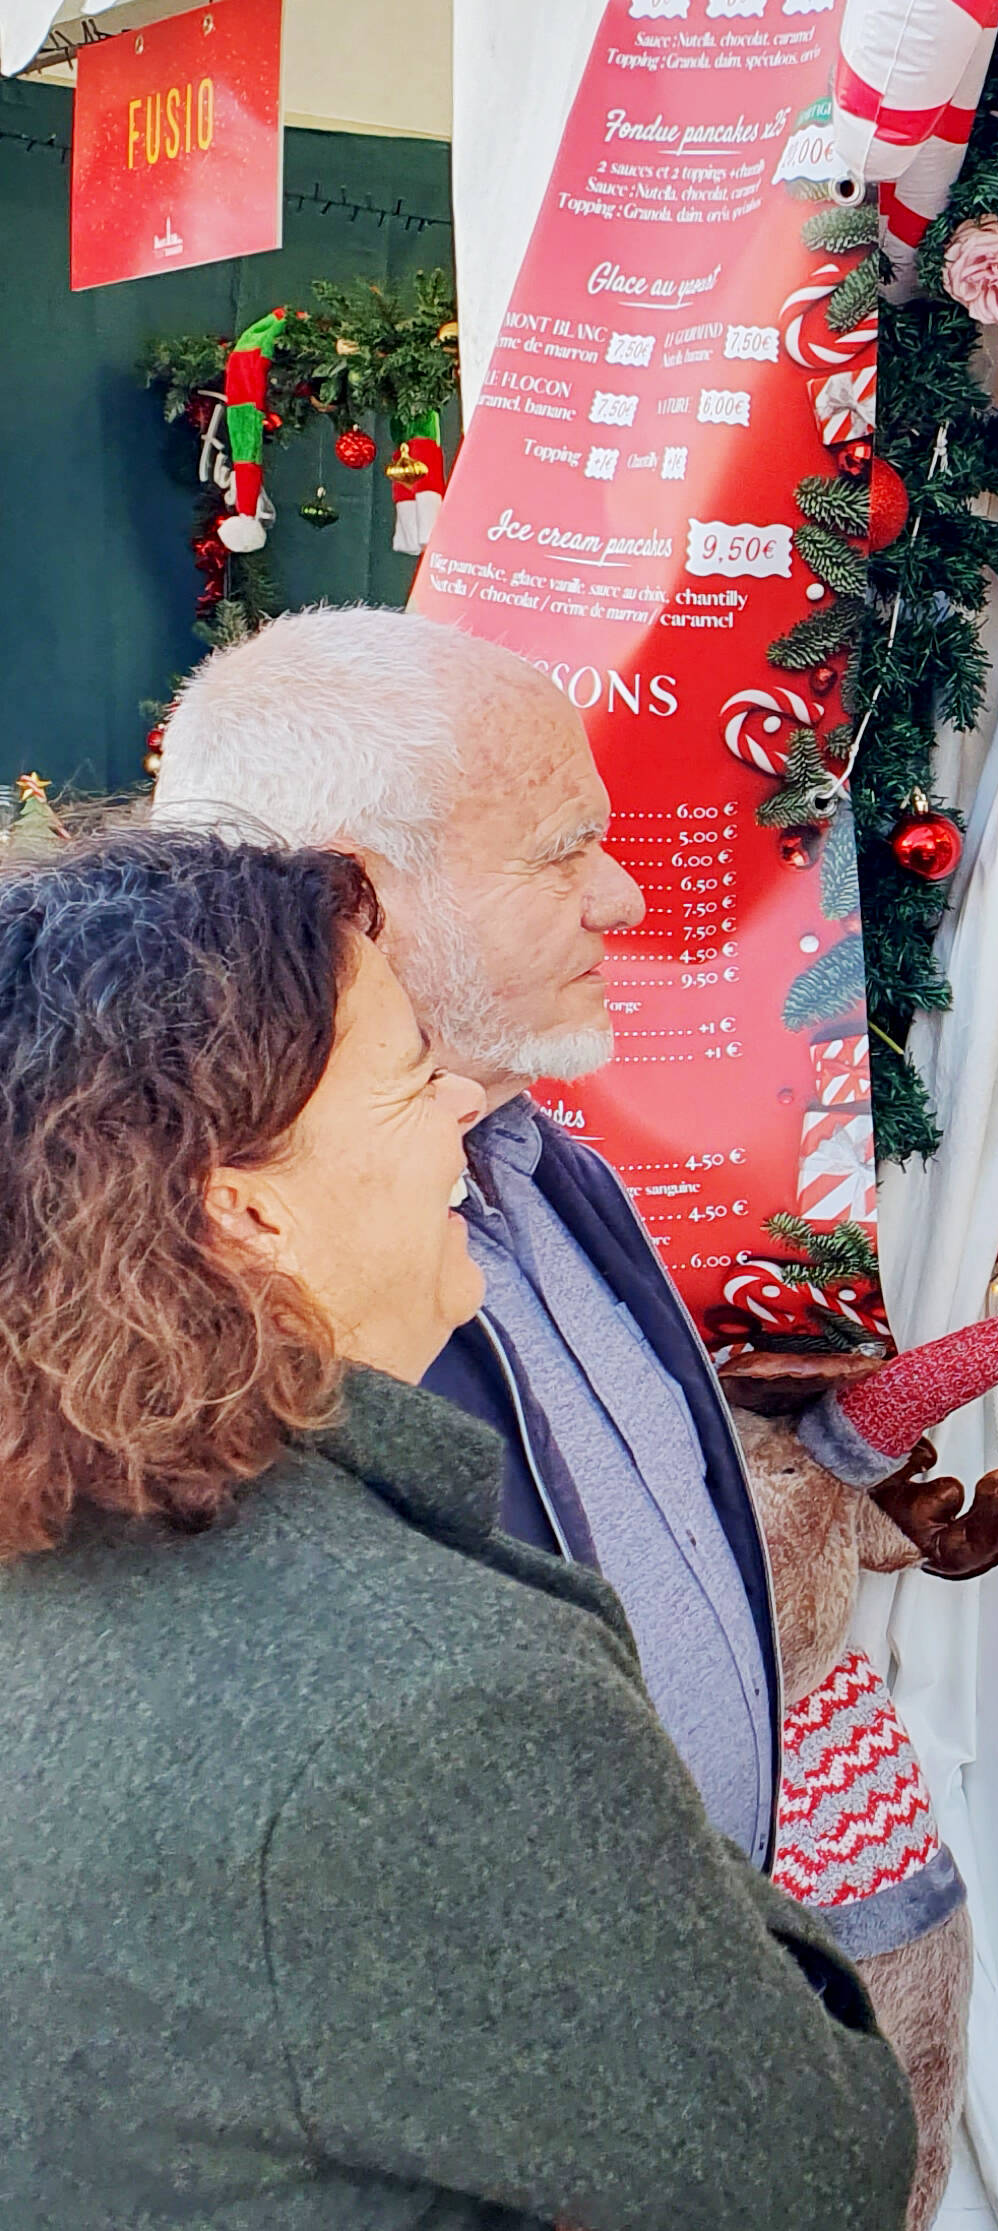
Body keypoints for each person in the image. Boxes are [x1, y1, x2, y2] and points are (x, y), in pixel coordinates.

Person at [0, 829, 912, 2231]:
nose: (465, 1130)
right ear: (243, 1213)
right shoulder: (435, 1699)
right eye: (419, 1077)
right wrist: (673, 1971)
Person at [153, 610, 781, 1862]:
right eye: (563, 853)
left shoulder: (548, 1163)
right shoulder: (201, 1294)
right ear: (351, 898)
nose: (625, 895)